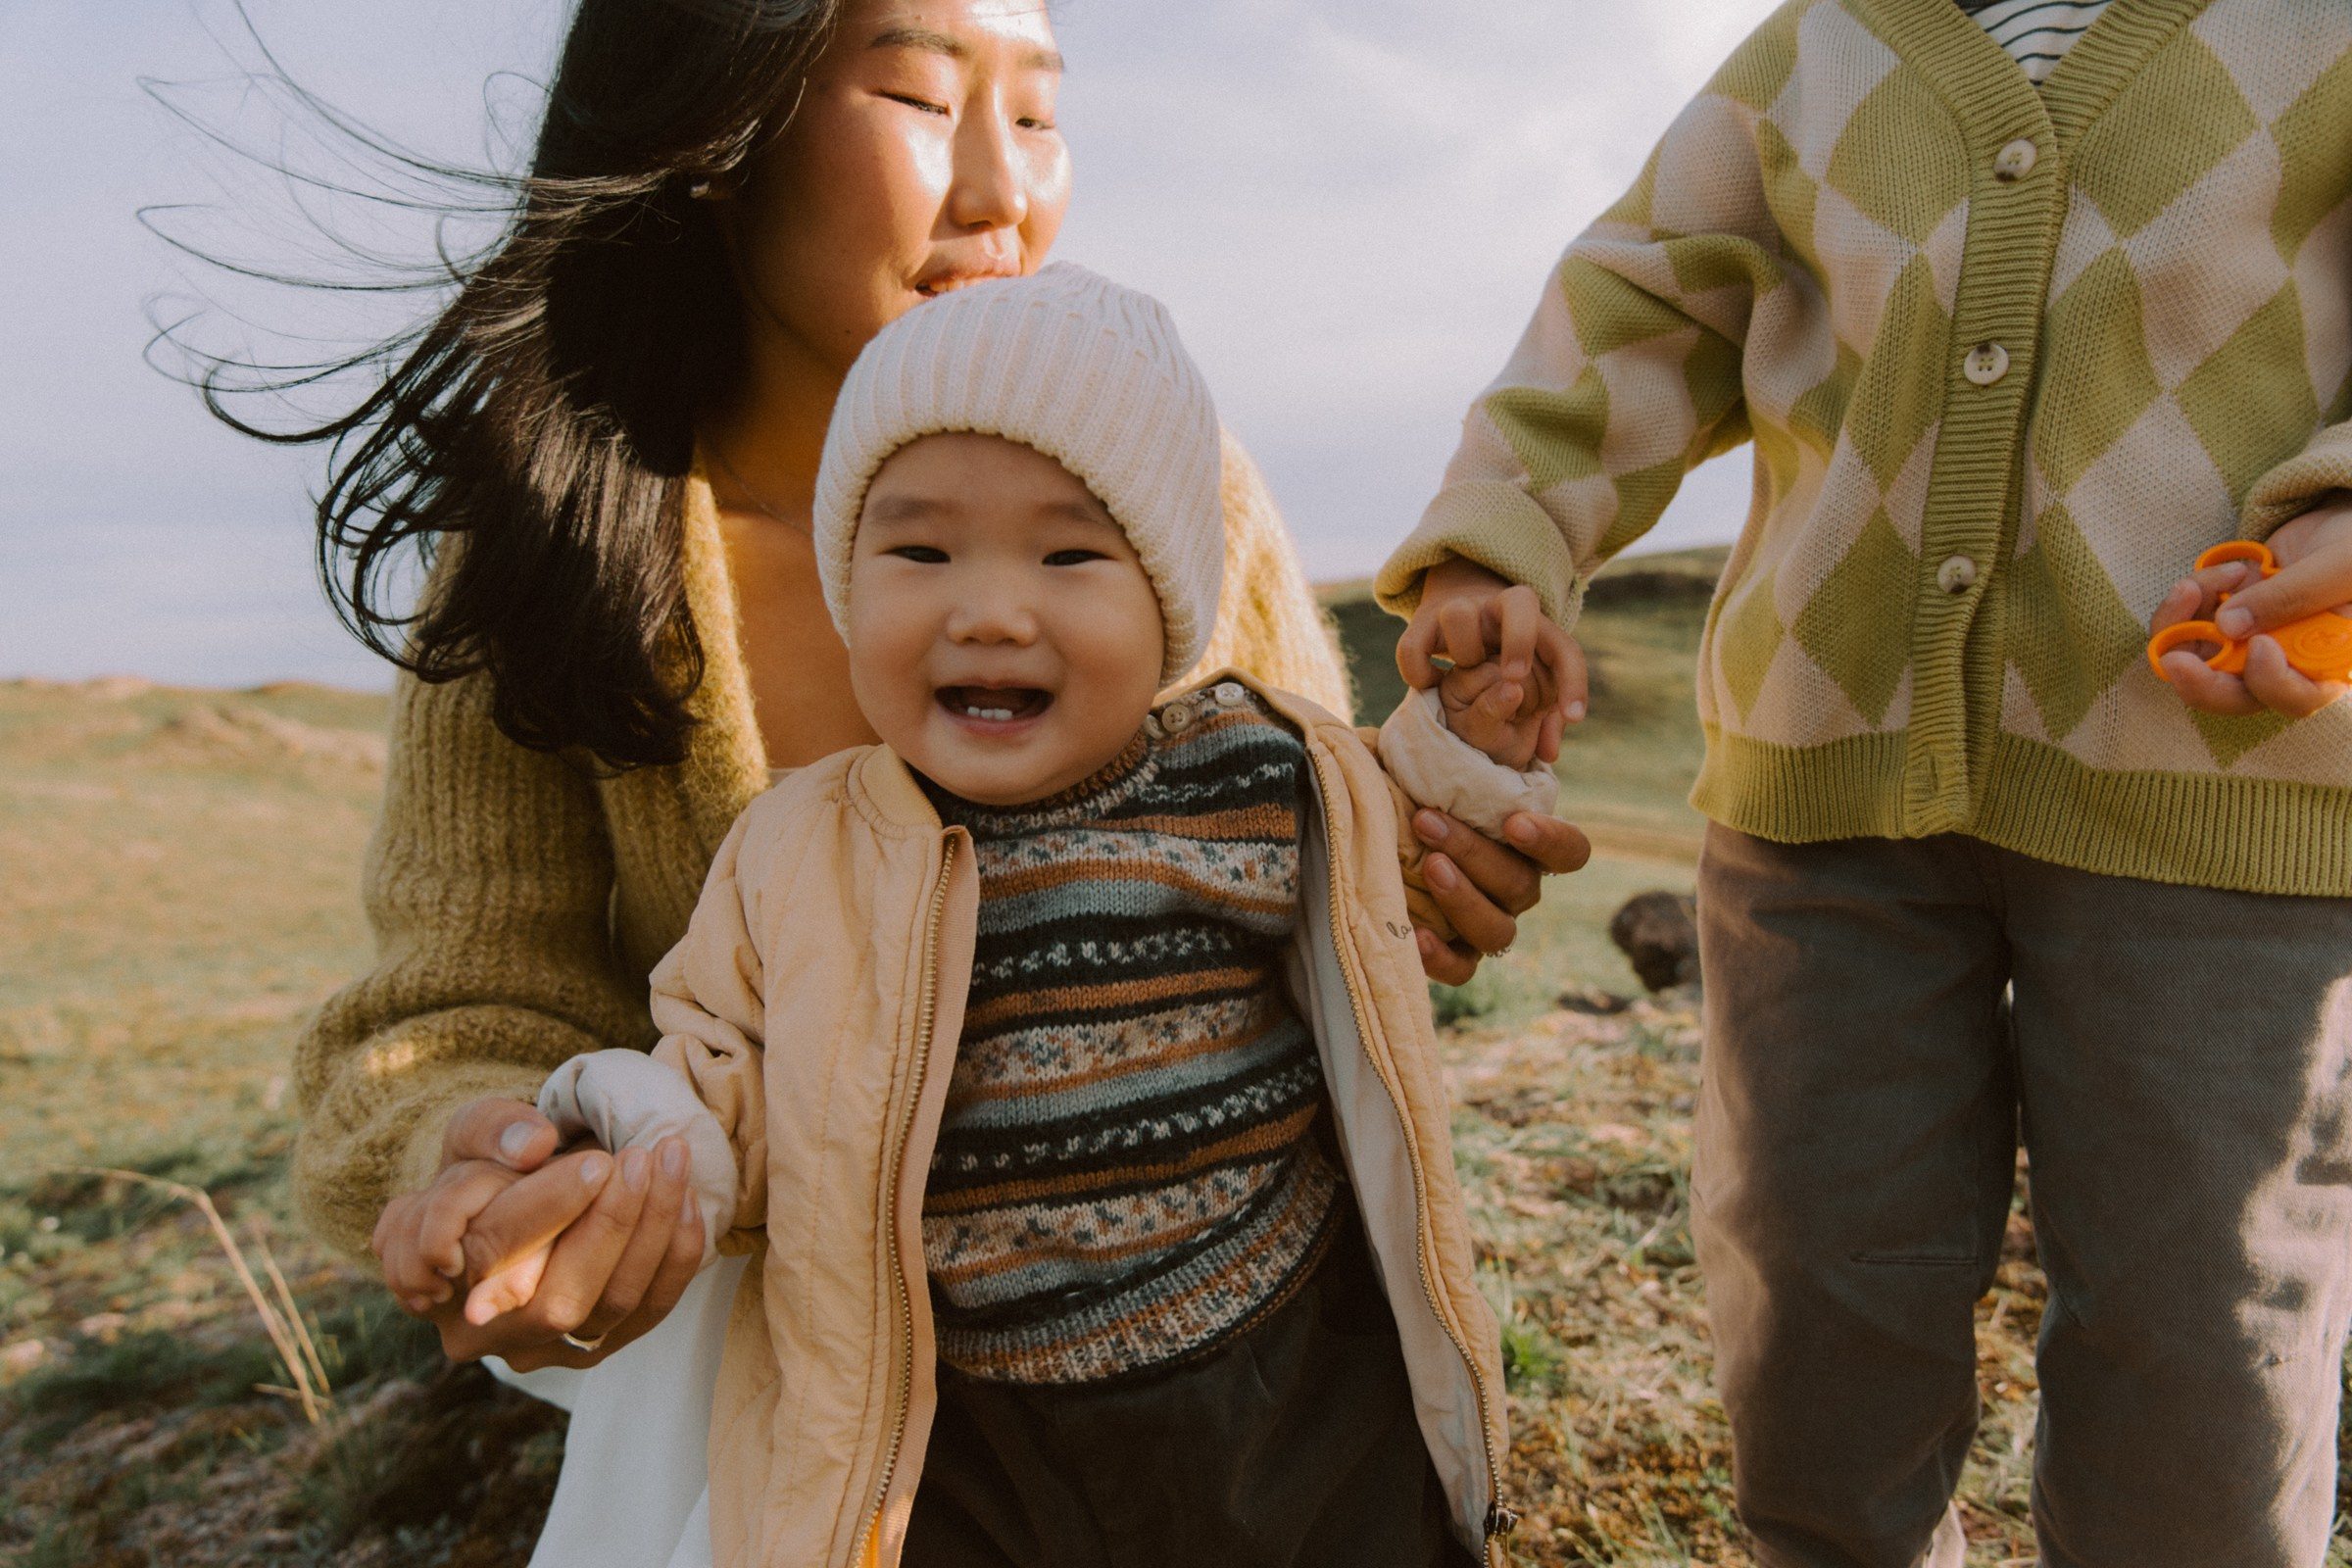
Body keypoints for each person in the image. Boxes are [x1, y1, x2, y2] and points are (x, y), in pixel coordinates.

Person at [1372, 1, 2352, 1565]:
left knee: (2203, 1352)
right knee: (1816, 1288)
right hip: (1818, 793)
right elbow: (1636, 293)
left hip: (2224, 800)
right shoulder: (1821, 45)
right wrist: (1510, 521)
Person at [501, 262, 1528, 1568]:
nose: (989, 609)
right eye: (919, 550)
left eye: (1068, 554)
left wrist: (1473, 749)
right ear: (848, 581)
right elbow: (727, 1076)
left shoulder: (1253, 772)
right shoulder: (800, 851)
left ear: (1167, 601)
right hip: (965, 1431)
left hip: (1280, 1381)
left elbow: (1405, 845)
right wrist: (645, 1154)